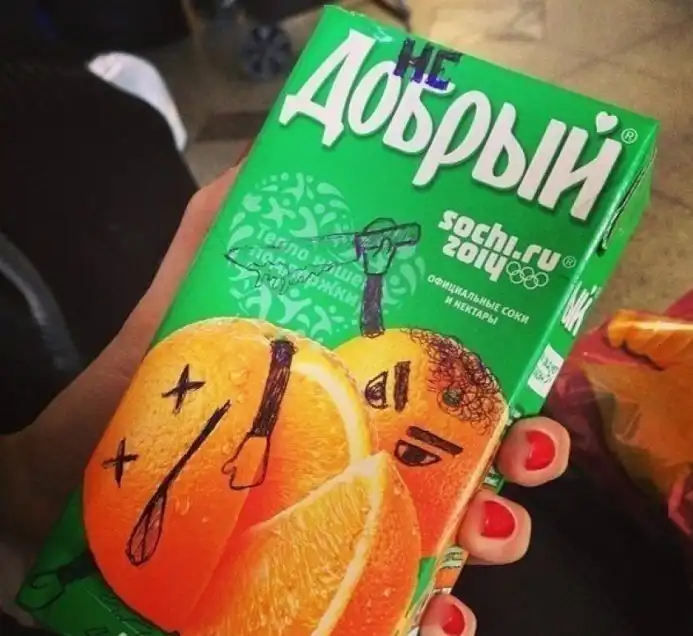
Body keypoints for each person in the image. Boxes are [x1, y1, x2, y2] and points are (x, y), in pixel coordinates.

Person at [0, 155, 571, 636]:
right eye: (380, 390)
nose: (387, 430)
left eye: (417, 453)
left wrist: (24, 496)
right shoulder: (282, 381)